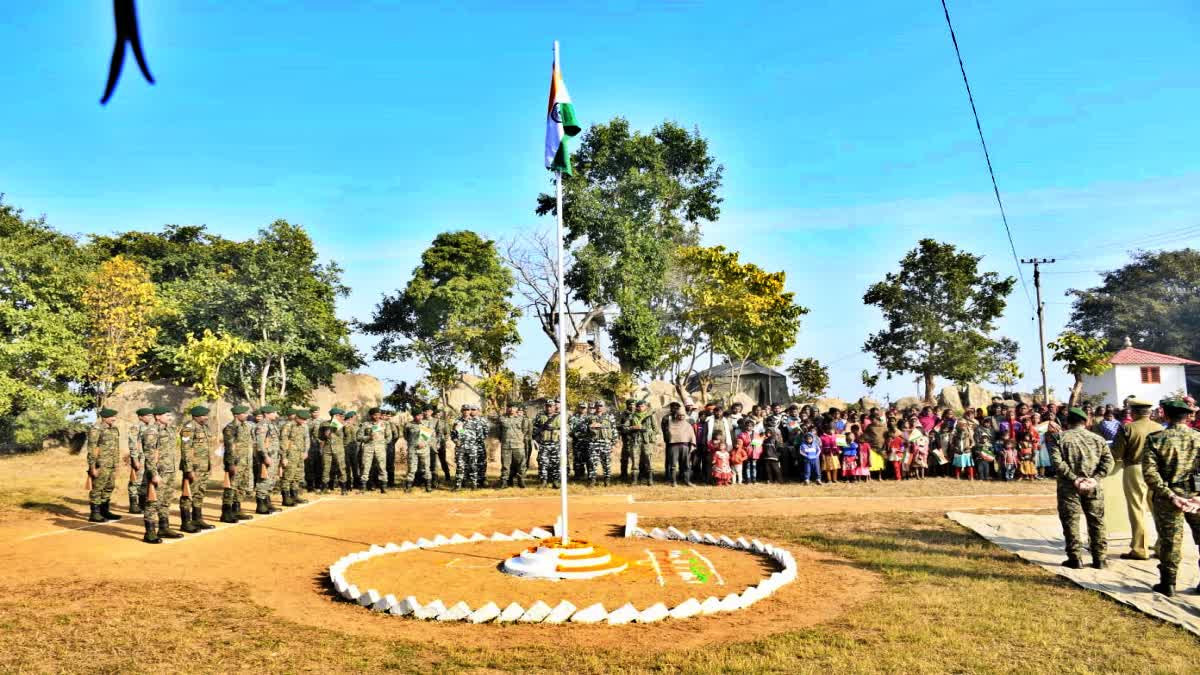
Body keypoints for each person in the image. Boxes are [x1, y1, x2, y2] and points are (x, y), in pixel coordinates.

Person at [1142, 399, 1200, 596]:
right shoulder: (1198, 437)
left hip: (1168, 498)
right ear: (1188, 416)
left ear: (1165, 415)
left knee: (1170, 541)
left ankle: (1168, 584)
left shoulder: (1156, 439)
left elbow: (1150, 473)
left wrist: (1170, 495)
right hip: (1196, 498)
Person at [1051, 407, 1113, 570]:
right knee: (1096, 521)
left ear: (1068, 422)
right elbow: (1108, 462)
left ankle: (1075, 558)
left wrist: (1075, 478)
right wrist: (1095, 479)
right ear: (1085, 422)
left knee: (1071, 521)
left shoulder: (1059, 438)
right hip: (1093, 486)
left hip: (1069, 487)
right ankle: (1100, 559)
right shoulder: (1098, 439)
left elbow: (1058, 463)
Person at [1112, 398, 1161, 561]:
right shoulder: (1160, 428)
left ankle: (1140, 549)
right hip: (1157, 470)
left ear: (1133, 412)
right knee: (1158, 509)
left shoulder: (1128, 428)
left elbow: (1116, 454)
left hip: (1135, 468)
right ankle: (1163, 546)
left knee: (1137, 508)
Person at [178, 405, 215, 532]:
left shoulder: (204, 427)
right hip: (193, 468)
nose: (206, 418)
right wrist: (189, 469)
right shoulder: (189, 428)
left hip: (204, 466)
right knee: (188, 494)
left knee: (199, 493)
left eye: (206, 415)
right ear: (196, 416)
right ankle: (186, 522)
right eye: (203, 416)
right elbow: (185, 449)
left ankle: (197, 519)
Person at [85, 408, 123, 523]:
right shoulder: (96, 429)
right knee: (97, 488)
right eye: (112, 417)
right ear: (105, 418)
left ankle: (104, 510)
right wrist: (92, 467)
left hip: (111, 464)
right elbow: (92, 449)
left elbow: (116, 448)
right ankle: (95, 513)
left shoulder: (114, 429)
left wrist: (116, 464)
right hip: (100, 464)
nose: (114, 419)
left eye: (115, 416)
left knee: (109, 487)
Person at [220, 404, 255, 523]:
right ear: (236, 415)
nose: (246, 415)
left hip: (245, 461)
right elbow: (229, 447)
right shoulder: (230, 428)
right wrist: (231, 464)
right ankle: (226, 512)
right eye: (244, 413)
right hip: (235, 462)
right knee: (231, 487)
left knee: (241, 486)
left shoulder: (245, 426)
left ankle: (236, 509)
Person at [252, 405, 281, 514]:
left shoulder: (271, 424)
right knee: (264, 480)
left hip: (273, 456)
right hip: (267, 457)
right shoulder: (263, 425)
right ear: (267, 414)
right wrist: (265, 456)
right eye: (274, 413)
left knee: (271, 480)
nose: (276, 415)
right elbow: (260, 443)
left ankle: (267, 503)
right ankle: (260, 505)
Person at [125, 407, 153, 514]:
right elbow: (132, 444)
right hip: (139, 457)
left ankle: (142, 504)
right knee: (135, 481)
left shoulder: (151, 427)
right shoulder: (135, 427)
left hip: (148, 458)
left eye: (150, 415)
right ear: (140, 417)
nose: (149, 417)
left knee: (145, 481)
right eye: (147, 416)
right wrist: (134, 459)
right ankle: (133, 505)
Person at [662, 402, 696, 487]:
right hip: (673, 446)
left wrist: (692, 446)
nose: (681, 416)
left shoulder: (688, 425)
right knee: (673, 465)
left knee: (686, 465)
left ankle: (687, 481)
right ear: (676, 415)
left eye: (683, 415)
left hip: (685, 446)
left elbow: (692, 435)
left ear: (685, 416)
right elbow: (666, 433)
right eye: (679, 415)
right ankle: (673, 482)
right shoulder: (670, 423)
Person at [358, 407, 390, 494]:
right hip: (368, 448)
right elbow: (359, 437)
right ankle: (363, 487)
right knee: (365, 467)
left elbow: (389, 437)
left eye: (378, 414)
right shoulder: (365, 425)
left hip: (380, 449)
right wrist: (368, 437)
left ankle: (383, 487)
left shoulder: (384, 424)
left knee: (382, 467)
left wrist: (383, 444)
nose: (377, 416)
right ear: (371, 415)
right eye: (375, 415)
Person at [496, 404, 528, 488]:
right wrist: (504, 440)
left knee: (521, 464)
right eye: (509, 407)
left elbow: (525, 431)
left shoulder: (522, 419)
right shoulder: (502, 419)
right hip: (506, 446)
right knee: (505, 465)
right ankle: (504, 481)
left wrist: (519, 439)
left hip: (518, 445)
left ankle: (521, 480)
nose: (511, 409)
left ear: (516, 409)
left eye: (513, 407)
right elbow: (499, 432)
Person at [585, 400, 616, 487]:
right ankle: (592, 479)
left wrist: (612, 444)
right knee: (592, 462)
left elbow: (614, 430)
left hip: (606, 443)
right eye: (598, 406)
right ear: (595, 407)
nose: (599, 408)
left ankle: (607, 479)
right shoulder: (590, 417)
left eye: (601, 406)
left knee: (606, 462)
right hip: (594, 443)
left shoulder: (610, 417)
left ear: (604, 407)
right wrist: (590, 427)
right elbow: (586, 431)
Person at [403, 409, 434, 492]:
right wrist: (413, 443)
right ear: (413, 416)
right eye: (417, 415)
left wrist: (424, 443)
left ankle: (428, 487)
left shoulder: (426, 424)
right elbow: (406, 436)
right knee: (411, 469)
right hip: (412, 450)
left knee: (426, 468)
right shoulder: (408, 425)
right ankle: (408, 487)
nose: (419, 417)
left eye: (421, 415)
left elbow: (429, 437)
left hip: (424, 450)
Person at [626, 400, 655, 486]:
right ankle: (634, 480)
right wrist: (632, 427)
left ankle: (650, 480)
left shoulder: (650, 416)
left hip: (646, 442)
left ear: (646, 407)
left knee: (648, 460)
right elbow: (625, 427)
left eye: (642, 406)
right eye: (639, 406)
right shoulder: (632, 416)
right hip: (635, 441)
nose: (640, 408)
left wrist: (646, 430)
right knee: (635, 461)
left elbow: (655, 429)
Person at [534, 399, 562, 487]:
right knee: (543, 463)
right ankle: (543, 481)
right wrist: (536, 440)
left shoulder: (560, 417)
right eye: (547, 406)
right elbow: (535, 429)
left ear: (554, 407)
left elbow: (565, 429)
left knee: (556, 463)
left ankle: (556, 481)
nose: (549, 408)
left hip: (556, 443)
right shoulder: (540, 416)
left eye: (551, 406)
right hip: (544, 444)